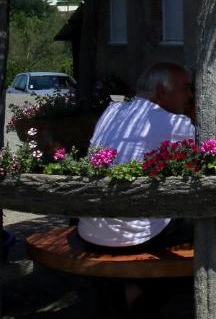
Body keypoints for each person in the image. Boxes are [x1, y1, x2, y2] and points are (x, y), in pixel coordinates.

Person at [78, 62, 195, 250]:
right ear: (161, 92)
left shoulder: (112, 110)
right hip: (138, 237)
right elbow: (194, 168)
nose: (190, 96)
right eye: (186, 88)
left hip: (90, 232)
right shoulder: (176, 124)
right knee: (211, 223)